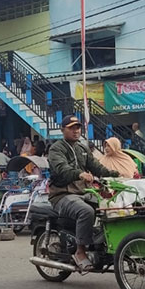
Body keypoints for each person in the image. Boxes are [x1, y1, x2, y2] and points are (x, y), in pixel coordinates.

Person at [48, 115, 120, 272]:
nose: (76, 131)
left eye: (78, 128)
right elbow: (61, 168)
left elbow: (97, 168)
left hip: (84, 193)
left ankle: (102, 245)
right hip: (62, 195)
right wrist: (79, 174)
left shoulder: (82, 148)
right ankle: (80, 252)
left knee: (112, 206)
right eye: (71, 128)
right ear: (63, 130)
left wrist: (117, 175)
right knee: (85, 211)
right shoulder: (56, 149)